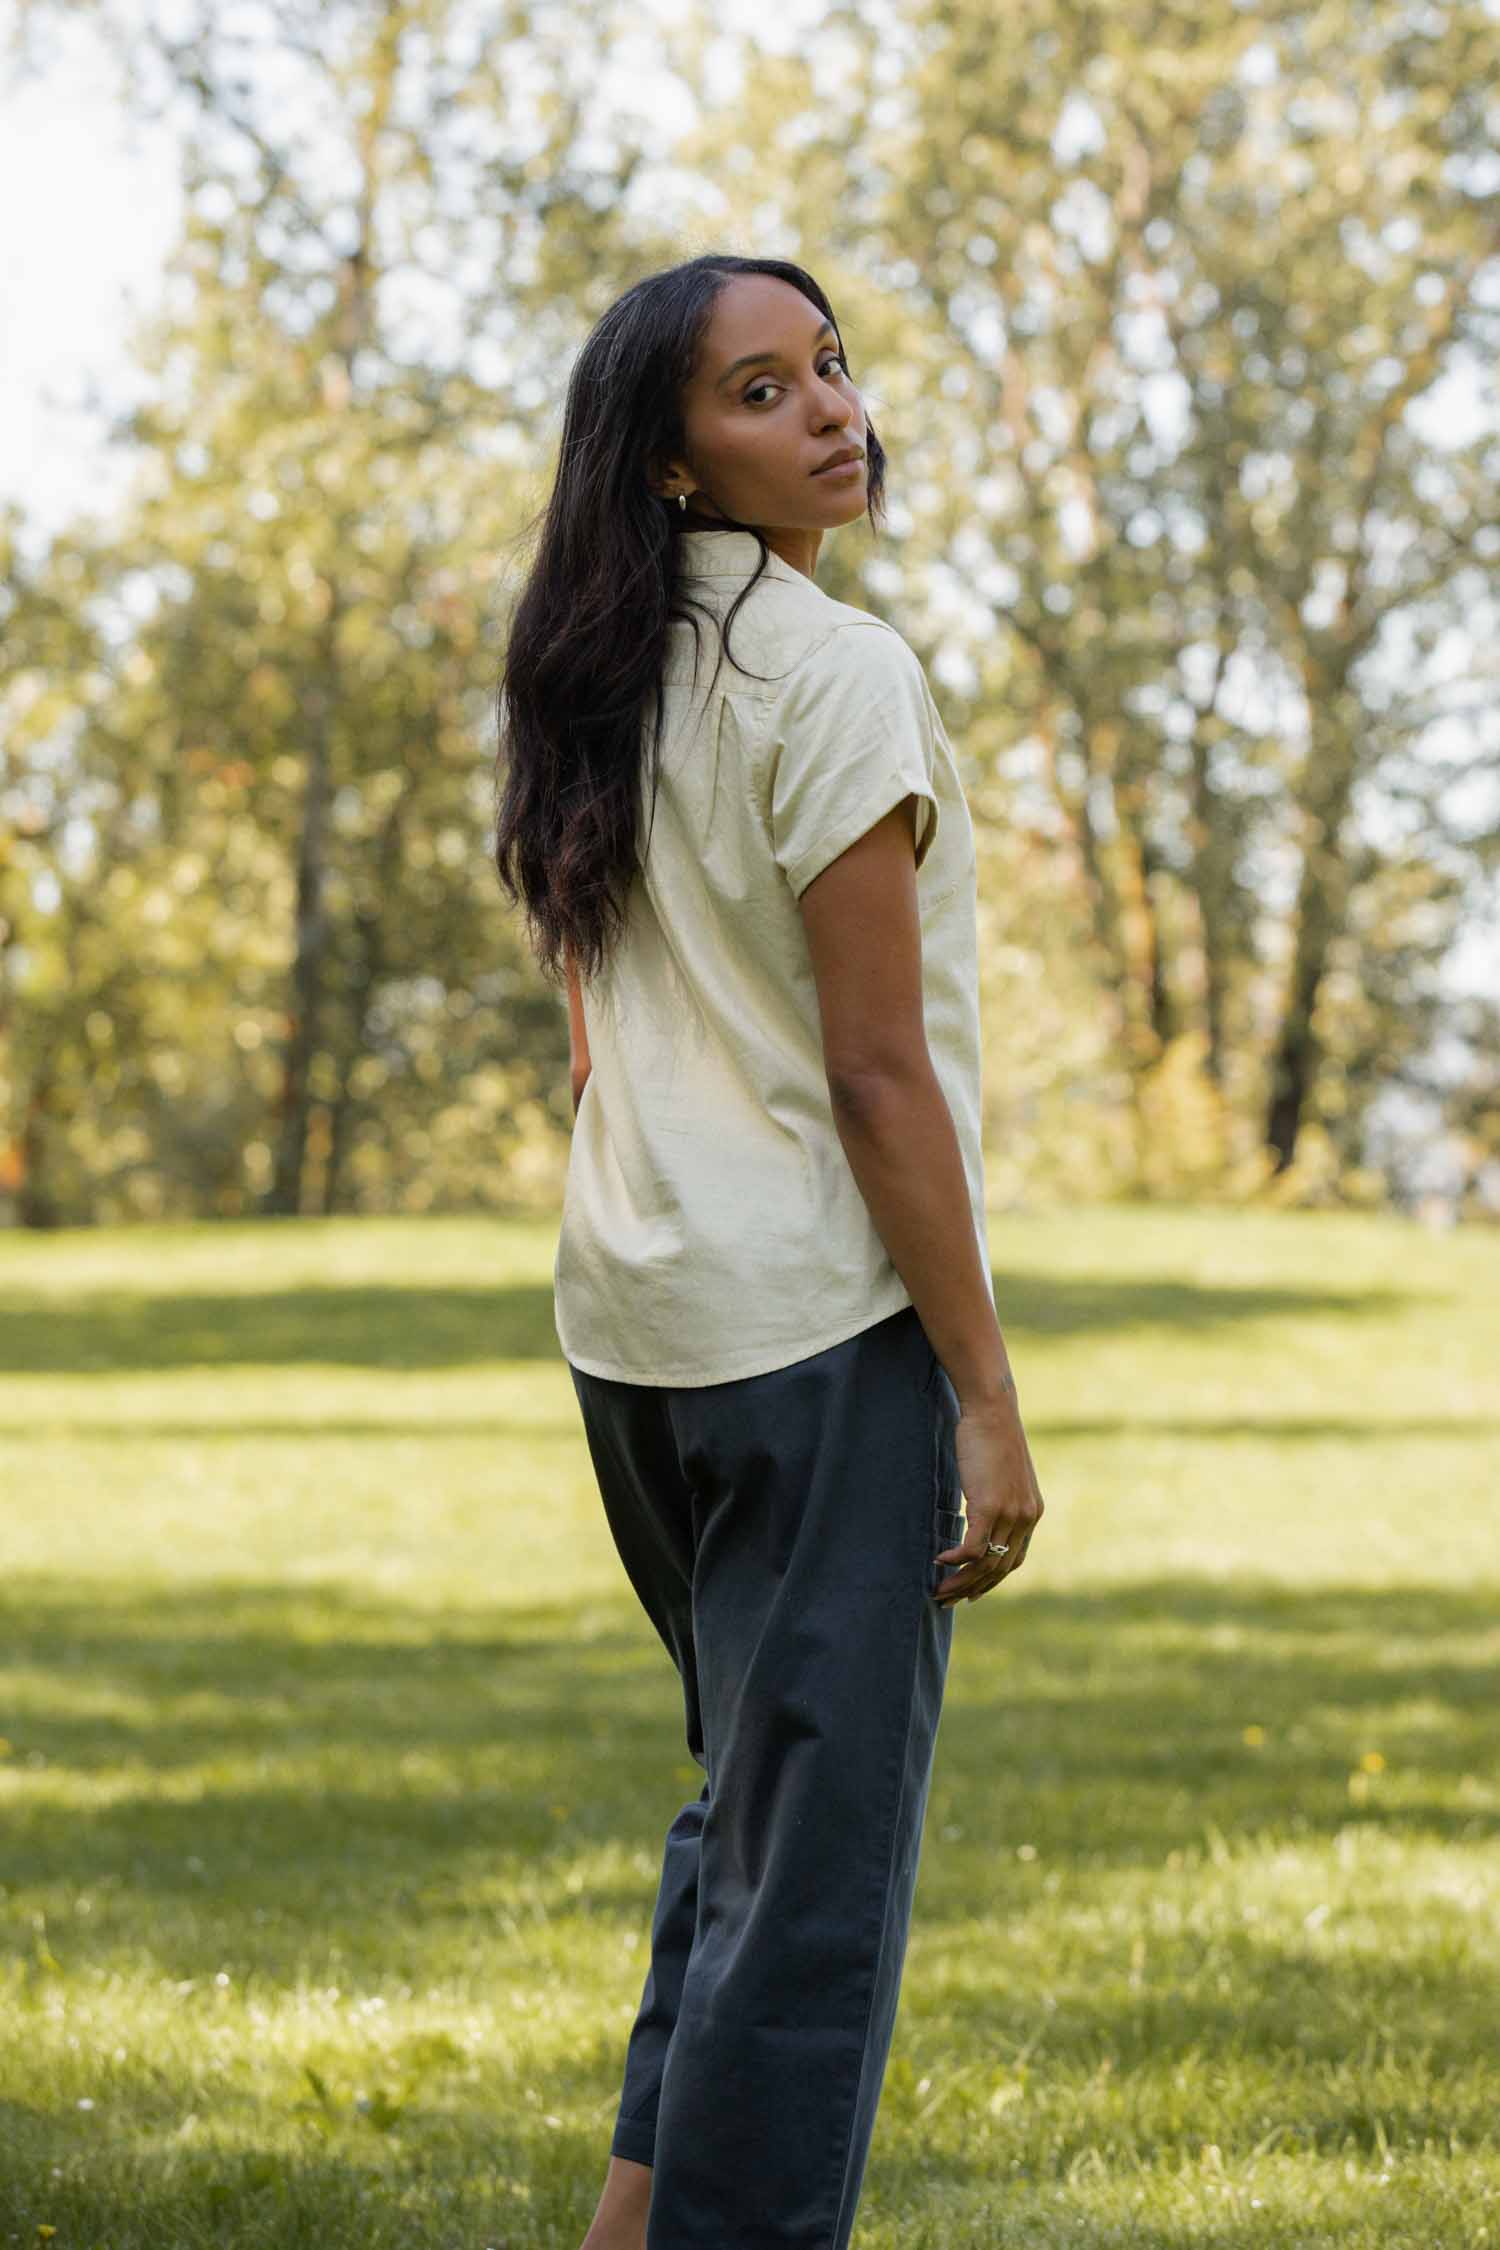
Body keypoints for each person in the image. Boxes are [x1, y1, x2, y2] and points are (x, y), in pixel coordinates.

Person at [494, 252, 1045, 2250]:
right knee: (808, 1895)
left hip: (634, 1333)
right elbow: (881, 1077)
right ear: (667, 463)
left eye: (830, 367)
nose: (830, 410)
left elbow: (587, 1036)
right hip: (816, 1338)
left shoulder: (595, 671)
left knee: (743, 1815)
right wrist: (985, 1398)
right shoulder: (834, 670)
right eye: (759, 390)